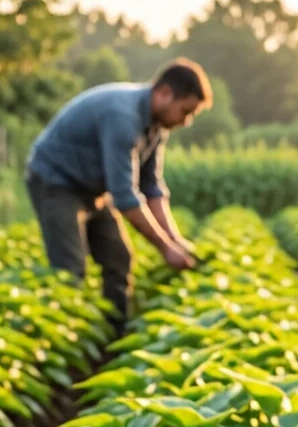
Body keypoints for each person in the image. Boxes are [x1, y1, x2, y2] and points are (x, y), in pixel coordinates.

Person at [25, 59, 209, 324]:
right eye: (186, 111)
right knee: (70, 267)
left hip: (93, 189)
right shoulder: (123, 116)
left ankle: (112, 336)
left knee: (118, 258)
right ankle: (61, 333)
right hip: (56, 181)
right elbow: (125, 196)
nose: (187, 121)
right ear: (165, 93)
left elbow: (151, 186)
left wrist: (175, 239)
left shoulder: (157, 127)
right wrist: (164, 248)